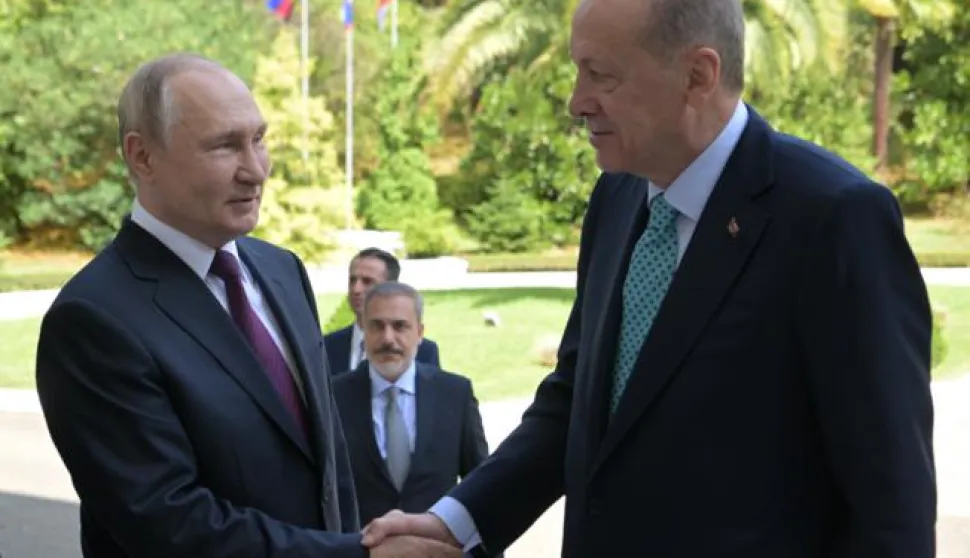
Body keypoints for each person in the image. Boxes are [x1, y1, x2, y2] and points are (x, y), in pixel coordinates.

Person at [359, 0, 937, 556]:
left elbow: (892, 509)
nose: (575, 102)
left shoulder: (833, 218)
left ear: (697, 74)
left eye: (600, 75)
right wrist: (454, 524)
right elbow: (577, 402)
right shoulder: (618, 195)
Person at [34, 53, 457, 558]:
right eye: (224, 146)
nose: (256, 170)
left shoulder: (282, 270)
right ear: (142, 156)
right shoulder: (93, 319)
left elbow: (328, 466)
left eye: (258, 139)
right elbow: (168, 525)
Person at [332, 282, 492, 534]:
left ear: (419, 332)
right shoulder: (333, 398)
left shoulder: (455, 395)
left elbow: (482, 486)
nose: (388, 338)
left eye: (400, 326)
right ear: (364, 331)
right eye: (376, 326)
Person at [325, 248, 441, 375]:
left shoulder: (423, 351)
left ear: (391, 287)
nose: (356, 289)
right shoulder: (327, 347)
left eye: (367, 281)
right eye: (352, 280)